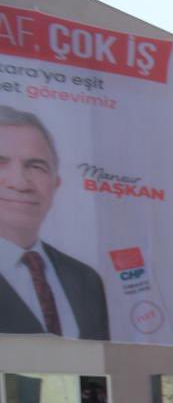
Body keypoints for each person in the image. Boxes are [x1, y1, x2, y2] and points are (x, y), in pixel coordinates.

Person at [0, 106, 109, 340]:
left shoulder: (86, 279)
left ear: (55, 184)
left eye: (36, 166)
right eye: (0, 162)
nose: (20, 183)